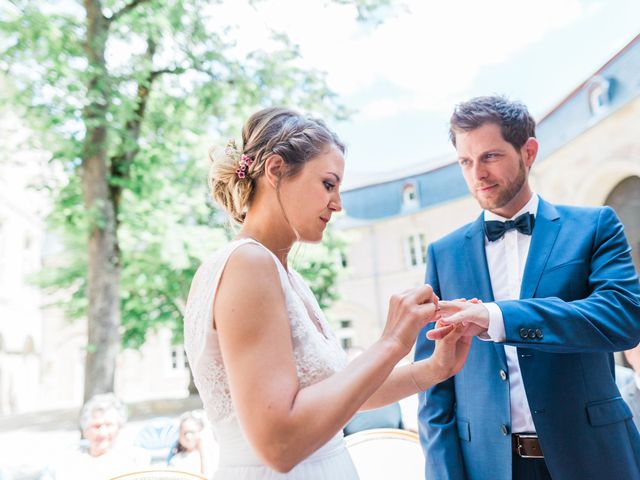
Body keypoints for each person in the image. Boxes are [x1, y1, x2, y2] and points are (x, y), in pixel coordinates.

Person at [183, 107, 471, 479]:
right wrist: (393, 341)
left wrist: (435, 367)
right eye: (328, 184)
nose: (338, 204)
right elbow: (279, 445)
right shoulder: (248, 265)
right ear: (275, 171)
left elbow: (342, 394)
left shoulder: (286, 276)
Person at [415, 95, 640, 480]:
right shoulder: (444, 254)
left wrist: (497, 316)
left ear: (529, 151)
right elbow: (434, 386)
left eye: (490, 157)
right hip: (490, 466)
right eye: (465, 162)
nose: (477, 175)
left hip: (593, 458)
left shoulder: (595, 226)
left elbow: (623, 318)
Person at [39, 393, 150, 480]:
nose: (102, 433)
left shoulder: (133, 459)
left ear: (119, 428)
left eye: (109, 425)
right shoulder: (66, 462)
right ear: (85, 430)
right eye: (96, 426)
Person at [167, 410, 214, 476]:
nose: (188, 436)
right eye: (184, 433)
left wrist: (202, 448)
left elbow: (206, 475)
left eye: (192, 432)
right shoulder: (176, 459)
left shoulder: (209, 456)